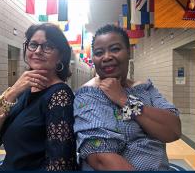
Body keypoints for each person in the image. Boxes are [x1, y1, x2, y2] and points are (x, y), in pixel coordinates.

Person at [74, 24, 181, 170]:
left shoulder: (145, 88)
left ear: (128, 52)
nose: (106, 57)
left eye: (115, 49)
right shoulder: (88, 95)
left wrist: (125, 100)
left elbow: (173, 130)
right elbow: (100, 158)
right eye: (99, 52)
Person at [0, 23, 76, 170]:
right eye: (33, 44)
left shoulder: (60, 96)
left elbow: (60, 165)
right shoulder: (24, 90)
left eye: (48, 46)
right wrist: (13, 91)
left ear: (60, 56)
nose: (38, 51)